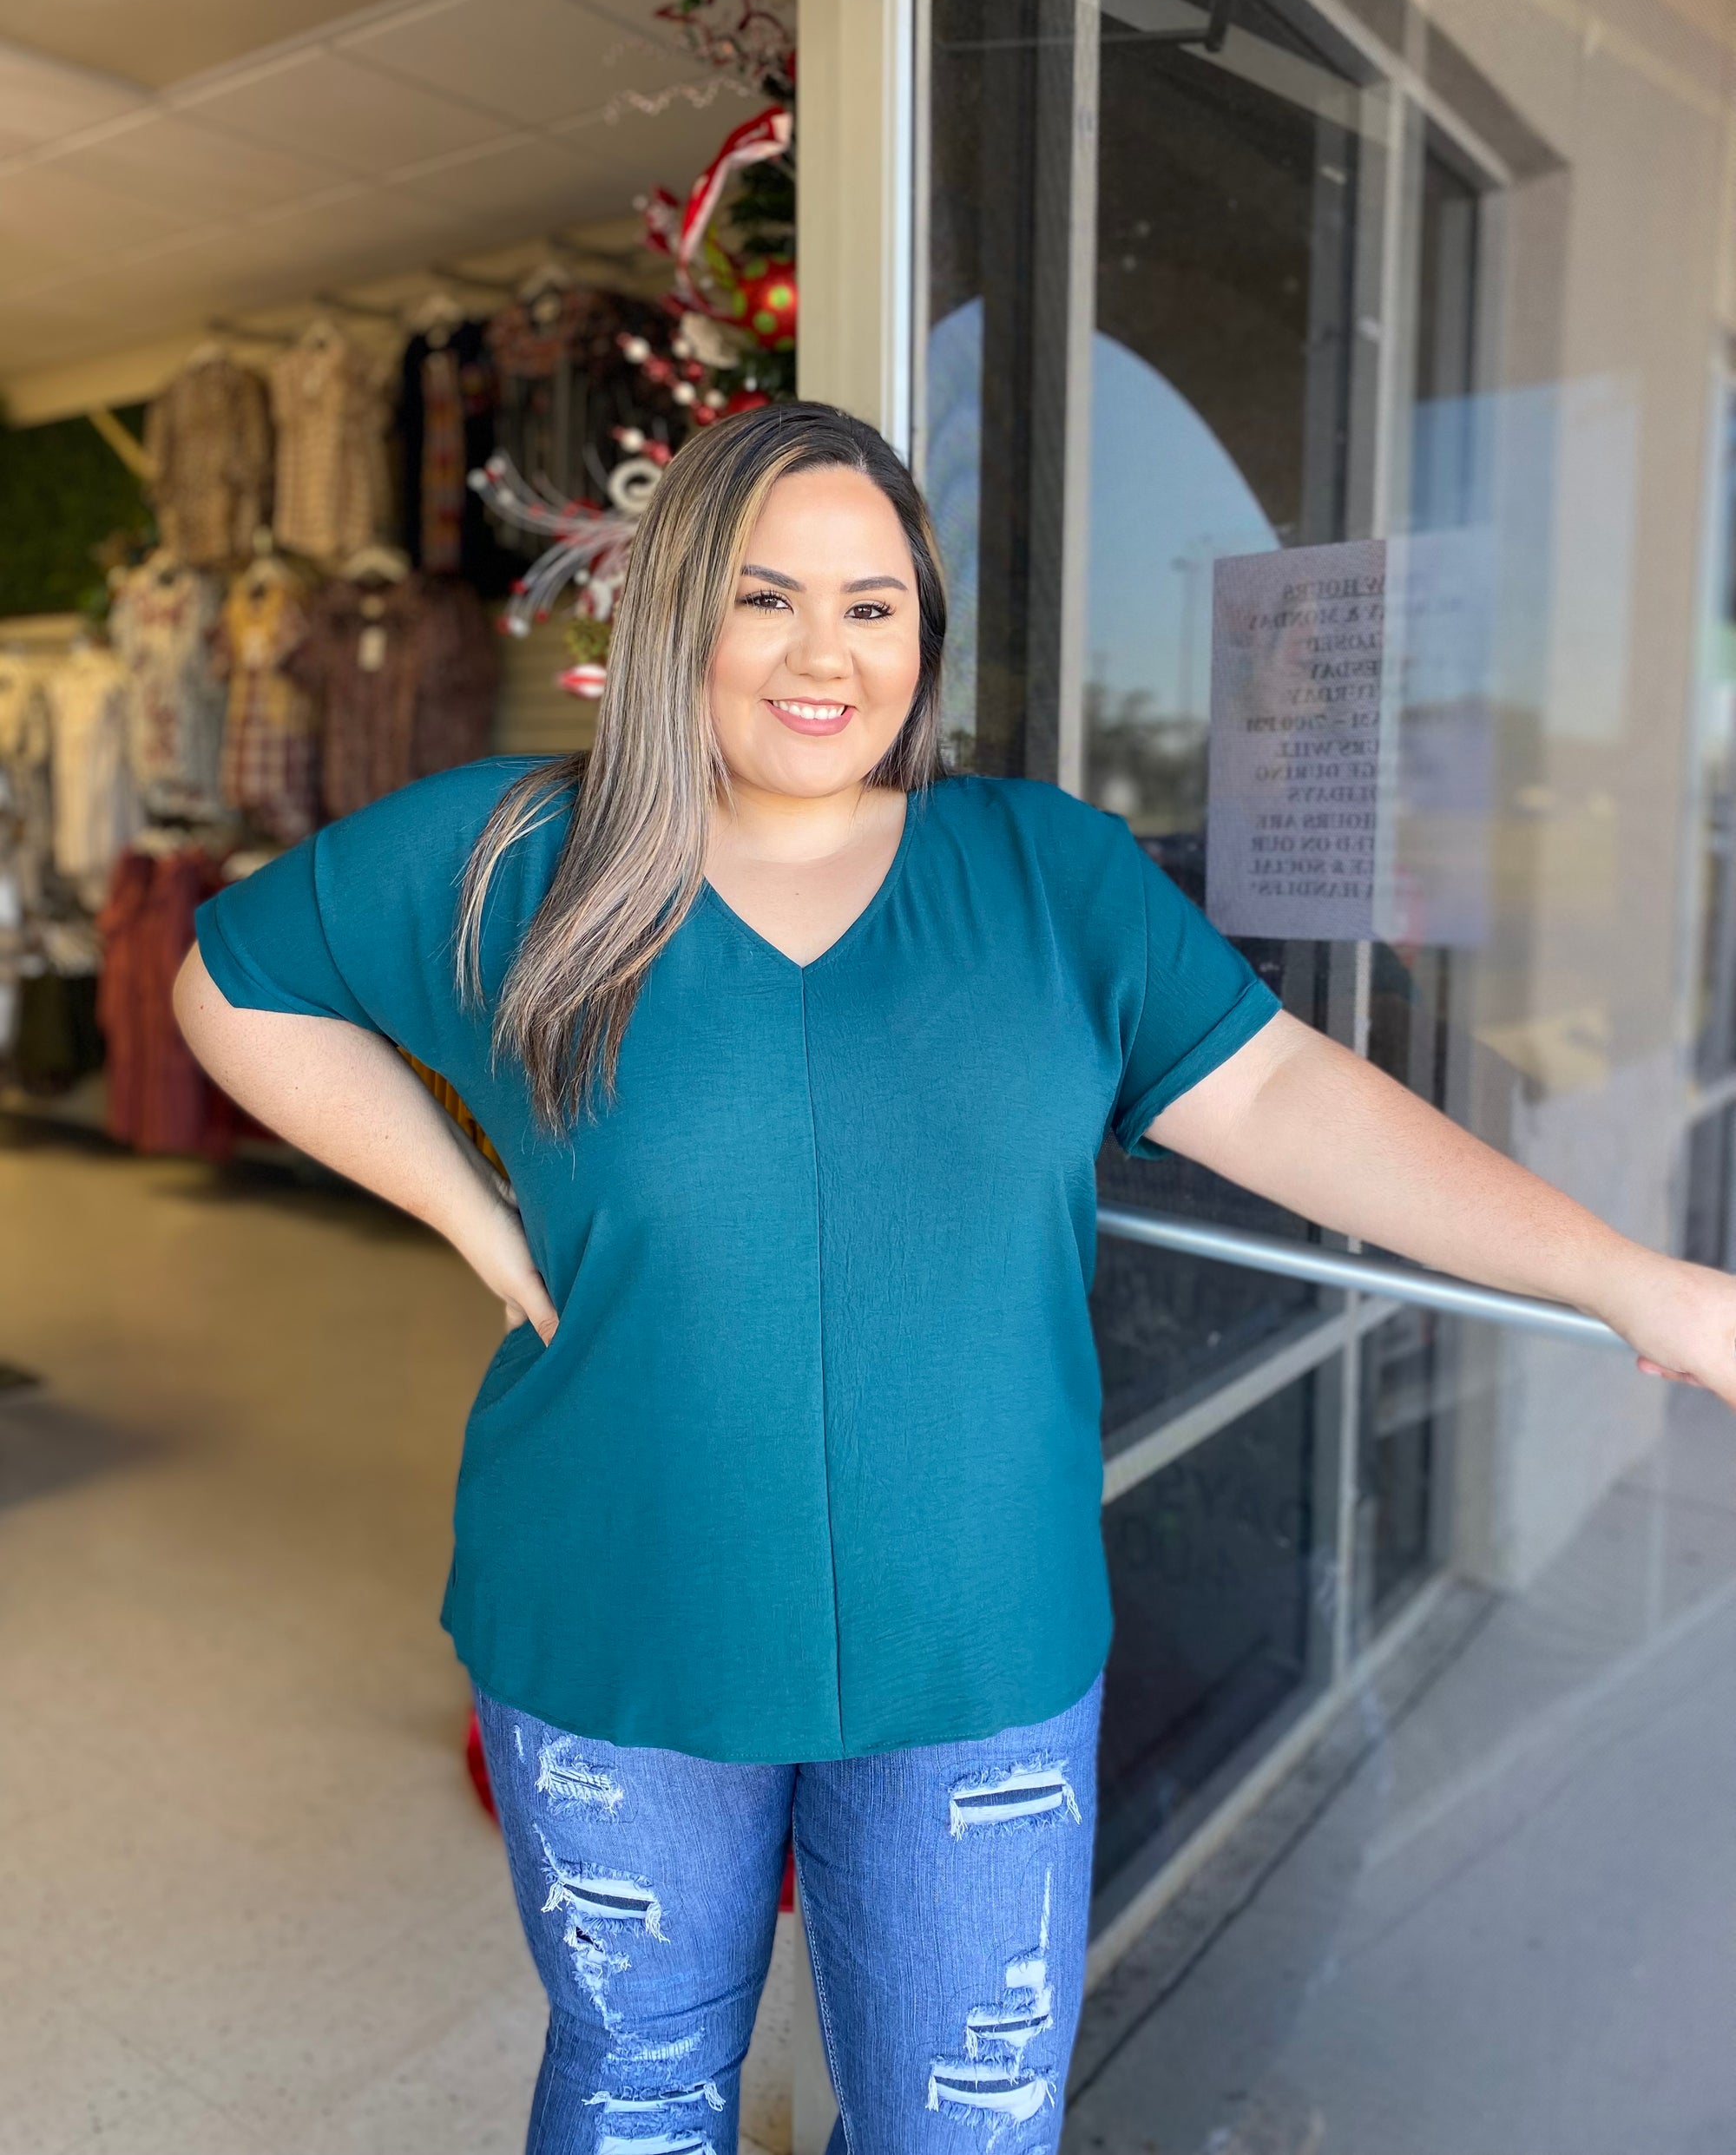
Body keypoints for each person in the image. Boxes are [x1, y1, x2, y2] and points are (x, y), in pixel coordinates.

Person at [174, 403, 1736, 2155]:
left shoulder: (1041, 874)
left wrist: (1633, 1279)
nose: (821, 653)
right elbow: (236, 982)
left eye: (874, 603)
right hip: (618, 1610)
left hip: (974, 1642)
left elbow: (1292, 1092)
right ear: (677, 608)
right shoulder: (522, 857)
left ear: (924, 633)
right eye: (764, 596)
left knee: (963, 2127)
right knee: (634, 2095)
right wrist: (469, 1208)